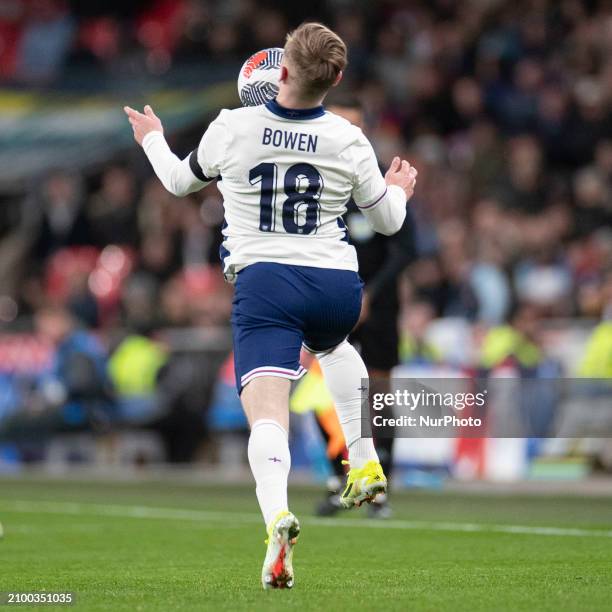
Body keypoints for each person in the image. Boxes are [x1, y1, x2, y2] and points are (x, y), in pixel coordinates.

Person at [124, 22, 417, 590]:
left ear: (281, 71)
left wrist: (152, 137)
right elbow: (388, 221)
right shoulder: (348, 137)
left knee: (267, 412)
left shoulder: (233, 126)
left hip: (266, 283)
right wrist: (400, 186)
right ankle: (364, 460)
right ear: (334, 80)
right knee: (335, 347)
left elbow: (180, 183)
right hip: (337, 283)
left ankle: (276, 518)